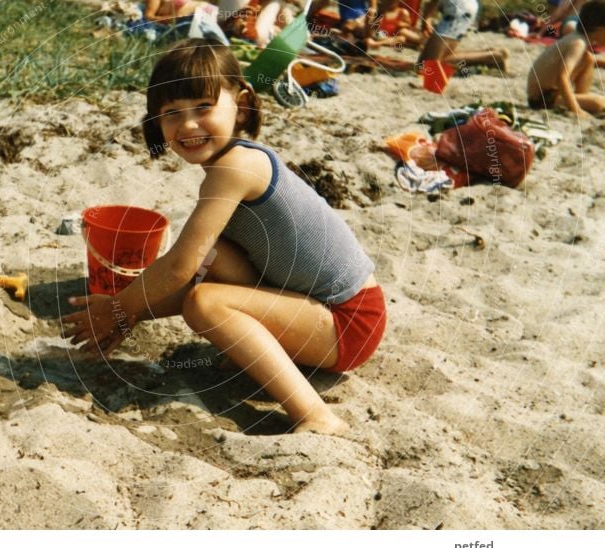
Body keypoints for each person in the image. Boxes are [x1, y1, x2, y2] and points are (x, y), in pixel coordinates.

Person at [62, 39, 386, 436]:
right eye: (171, 114)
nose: (188, 125)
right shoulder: (230, 164)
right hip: (316, 306)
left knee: (205, 302)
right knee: (214, 255)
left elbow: (179, 265)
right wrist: (130, 311)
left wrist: (120, 309)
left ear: (242, 104)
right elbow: (195, 260)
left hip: (350, 323)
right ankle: (253, 346)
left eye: (203, 107)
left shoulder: (237, 167)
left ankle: (315, 415)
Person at [527, 0, 605, 118]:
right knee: (600, 103)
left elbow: (590, 61)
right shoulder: (578, 43)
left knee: (588, 58)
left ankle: (583, 97)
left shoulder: (577, 38)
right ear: (600, 29)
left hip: (549, 93)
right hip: (542, 98)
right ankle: (580, 102)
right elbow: (562, 77)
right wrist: (576, 110)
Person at [418, 0, 510, 72]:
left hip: (457, 10)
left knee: (426, 67)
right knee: (433, 61)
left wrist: (427, 17)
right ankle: (490, 56)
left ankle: (493, 57)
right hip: (463, 8)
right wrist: (427, 17)